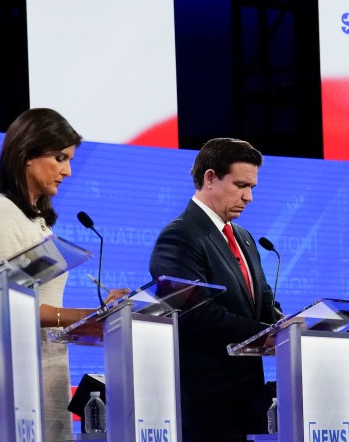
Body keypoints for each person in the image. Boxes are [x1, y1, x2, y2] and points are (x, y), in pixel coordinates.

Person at [0, 108, 128, 441]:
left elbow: (42, 300)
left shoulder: (37, 221)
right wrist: (89, 316)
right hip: (20, 372)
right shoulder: (1, 211)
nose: (68, 171)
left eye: (69, 160)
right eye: (60, 158)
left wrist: (102, 311)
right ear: (27, 154)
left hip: (49, 362)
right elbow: (6, 307)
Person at [148, 137, 280, 441]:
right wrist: (266, 334)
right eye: (240, 185)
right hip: (203, 401)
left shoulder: (244, 237)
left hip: (247, 398)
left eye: (252, 188)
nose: (249, 197)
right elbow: (196, 313)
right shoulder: (179, 236)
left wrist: (285, 327)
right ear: (210, 178)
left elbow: (263, 302)